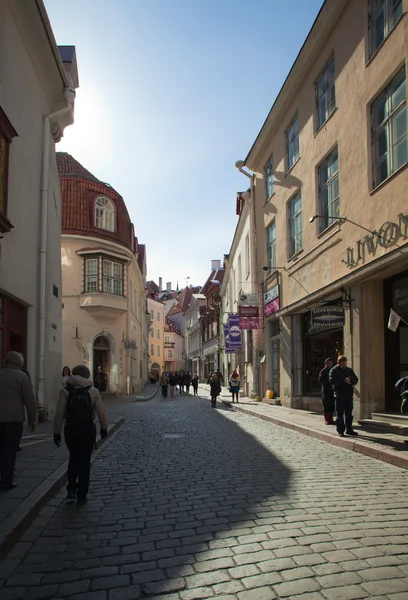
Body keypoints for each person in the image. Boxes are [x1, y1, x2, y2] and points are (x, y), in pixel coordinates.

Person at [54, 364, 108, 505]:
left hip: (70, 428)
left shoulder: (66, 390)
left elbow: (59, 413)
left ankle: (71, 489)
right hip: (87, 429)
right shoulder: (93, 390)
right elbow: (101, 413)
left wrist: (56, 431)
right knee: (85, 461)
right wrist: (104, 428)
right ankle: (82, 494)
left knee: (73, 458)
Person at [0, 352, 36, 490]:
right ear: (19, 363)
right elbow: (30, 399)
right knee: (10, 450)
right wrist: (33, 419)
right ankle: (6, 481)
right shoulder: (22, 376)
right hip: (13, 419)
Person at [329, 356, 359, 437]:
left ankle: (349, 429)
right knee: (340, 414)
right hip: (339, 395)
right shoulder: (334, 370)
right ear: (339, 363)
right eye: (342, 364)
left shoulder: (349, 370)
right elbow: (332, 381)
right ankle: (341, 430)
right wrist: (343, 380)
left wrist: (351, 381)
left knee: (349, 413)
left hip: (348, 395)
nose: (344, 365)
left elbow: (355, 379)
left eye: (345, 363)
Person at [318, 358, 335, 425]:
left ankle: (331, 419)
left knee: (332, 405)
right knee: (326, 405)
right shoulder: (323, 371)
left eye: (331, 362)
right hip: (326, 390)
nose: (330, 364)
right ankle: (326, 419)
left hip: (332, 390)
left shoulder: (334, 370)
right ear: (326, 364)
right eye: (329, 363)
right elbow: (320, 380)